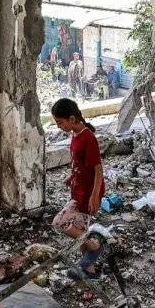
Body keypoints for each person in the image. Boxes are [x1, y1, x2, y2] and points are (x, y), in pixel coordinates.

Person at [49, 98, 106, 279]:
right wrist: (72, 175)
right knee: (79, 228)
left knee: (60, 222)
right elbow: (80, 163)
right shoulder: (75, 134)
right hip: (78, 188)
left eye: (60, 122)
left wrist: (95, 196)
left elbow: (98, 169)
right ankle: (89, 270)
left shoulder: (88, 137)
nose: (59, 126)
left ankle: (95, 247)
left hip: (87, 192)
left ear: (72, 118)